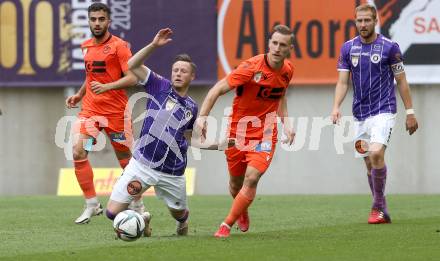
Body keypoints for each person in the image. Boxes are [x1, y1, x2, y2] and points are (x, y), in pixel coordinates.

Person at [93, 28, 234, 236]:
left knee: (179, 214)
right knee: (112, 213)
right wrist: (153, 45)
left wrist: (218, 145)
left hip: (172, 172)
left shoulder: (191, 107)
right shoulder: (159, 85)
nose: (178, 73)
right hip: (142, 165)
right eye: (175, 69)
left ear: (192, 76)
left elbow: (190, 139)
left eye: (183, 71)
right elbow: (132, 65)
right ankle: (142, 220)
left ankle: (182, 223)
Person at [195, 24, 296, 238]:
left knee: (252, 178)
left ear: (289, 49)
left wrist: (286, 123)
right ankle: (242, 209)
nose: (277, 48)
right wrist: (202, 118)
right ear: (269, 43)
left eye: (283, 45)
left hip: (266, 132)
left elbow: (281, 96)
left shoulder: (288, 70)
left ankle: (226, 225)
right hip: (237, 132)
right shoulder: (250, 68)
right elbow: (216, 90)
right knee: (235, 184)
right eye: (274, 43)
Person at [331, 4, 418, 224]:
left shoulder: (390, 47)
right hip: (359, 114)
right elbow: (342, 82)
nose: (362, 24)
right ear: (355, 21)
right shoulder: (348, 48)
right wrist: (336, 107)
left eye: (367, 20)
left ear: (375, 20)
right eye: (359, 21)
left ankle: (377, 206)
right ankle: (382, 207)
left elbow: (401, 81)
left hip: (384, 110)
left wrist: (410, 112)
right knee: (369, 163)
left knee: (376, 154)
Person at [65, 3, 139, 224]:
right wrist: (79, 94)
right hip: (91, 113)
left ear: (109, 21)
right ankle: (92, 204)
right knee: (79, 151)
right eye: (93, 19)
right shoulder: (86, 46)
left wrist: (107, 87)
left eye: (101, 19)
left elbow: (132, 78)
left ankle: (137, 204)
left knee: (126, 161)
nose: (97, 23)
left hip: (116, 114)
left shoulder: (120, 46)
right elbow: (91, 77)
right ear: (88, 21)